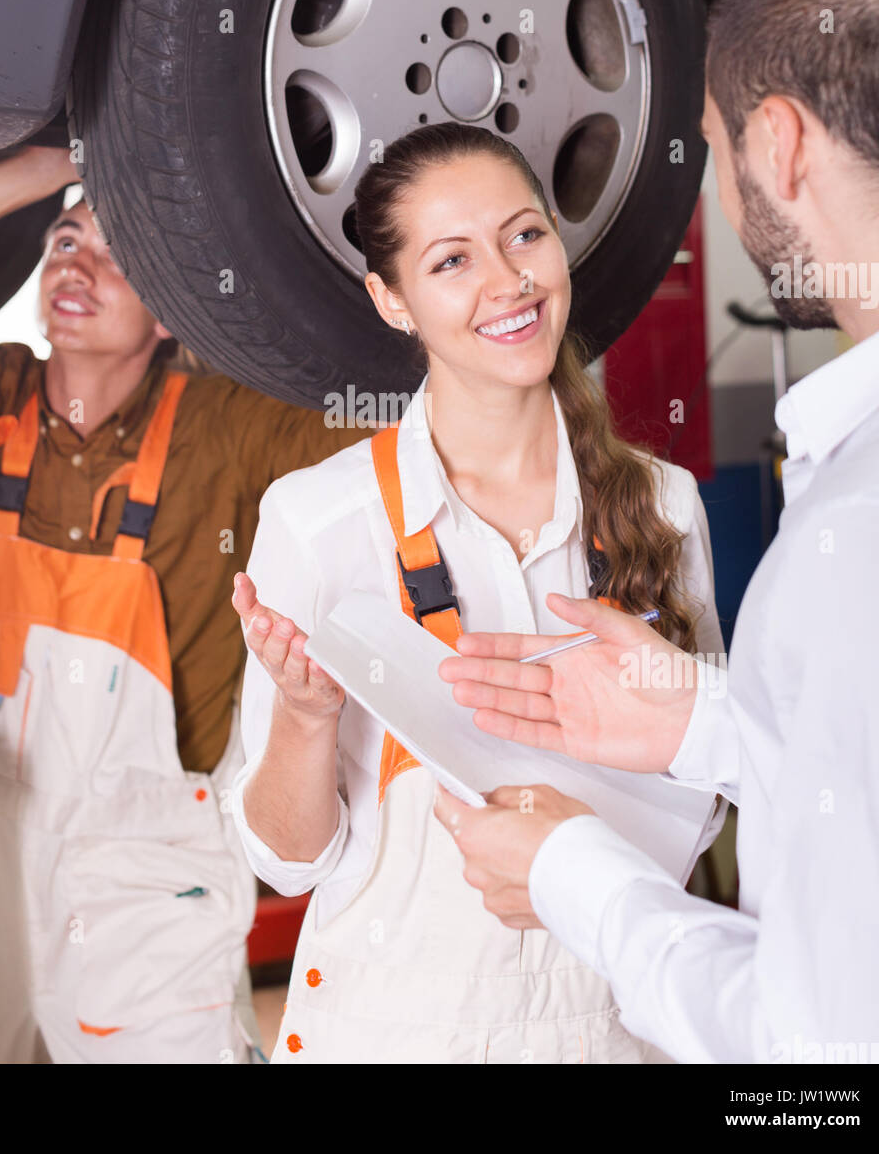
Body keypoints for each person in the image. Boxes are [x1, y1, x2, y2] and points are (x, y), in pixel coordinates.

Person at [434, 0, 879, 1064]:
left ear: (783, 144)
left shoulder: (866, 528)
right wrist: (710, 719)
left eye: (719, 140)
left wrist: (572, 877)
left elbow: (827, 1058)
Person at [228, 120, 731, 1064]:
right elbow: (286, 862)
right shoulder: (319, 520)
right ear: (392, 300)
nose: (508, 281)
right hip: (389, 1032)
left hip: (608, 1025)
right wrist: (301, 716)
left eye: (525, 234)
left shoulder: (664, 504)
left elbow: (704, 796)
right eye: (452, 259)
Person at [0, 146, 360, 1064]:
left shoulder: (228, 427)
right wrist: (36, 171)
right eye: (65, 240)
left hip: (152, 861)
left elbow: (394, 427)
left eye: (118, 252)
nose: (76, 263)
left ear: (173, 306)